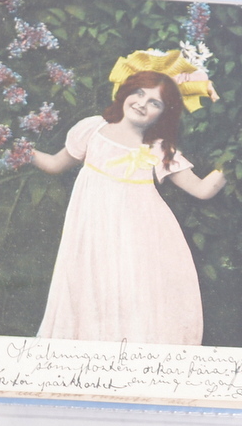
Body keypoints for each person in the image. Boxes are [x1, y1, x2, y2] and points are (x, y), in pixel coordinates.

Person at [28, 70, 228, 346]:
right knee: (90, 289)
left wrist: (235, 158)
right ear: (126, 91)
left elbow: (203, 189)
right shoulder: (93, 129)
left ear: (163, 114)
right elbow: (54, 164)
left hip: (137, 240)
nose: (142, 103)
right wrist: (18, 149)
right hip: (93, 235)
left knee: (131, 293)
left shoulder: (158, 149)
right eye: (139, 93)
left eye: (155, 102)